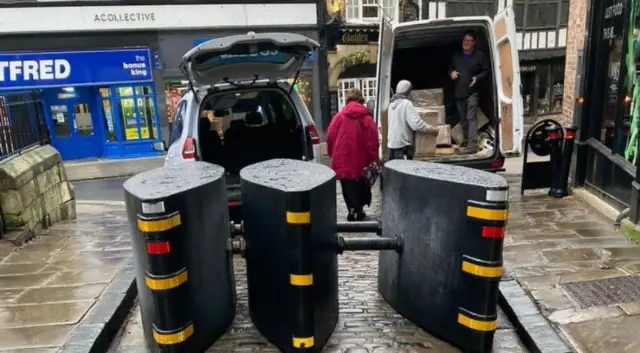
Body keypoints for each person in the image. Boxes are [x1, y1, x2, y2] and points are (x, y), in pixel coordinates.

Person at [326, 88, 379, 222]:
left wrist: (332, 153)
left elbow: (330, 137)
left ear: (348, 100)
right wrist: (374, 158)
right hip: (362, 159)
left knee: (347, 185)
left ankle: (351, 209)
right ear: (361, 100)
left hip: (342, 157)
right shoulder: (366, 117)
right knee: (361, 183)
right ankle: (358, 209)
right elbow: (372, 140)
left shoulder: (338, 116)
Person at [449, 30, 489, 154]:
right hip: (459, 92)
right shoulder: (457, 55)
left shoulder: (479, 55)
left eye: (469, 41)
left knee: (471, 117)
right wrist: (451, 73)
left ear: (474, 43)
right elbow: (450, 68)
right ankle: (466, 142)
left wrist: (477, 78)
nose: (466, 43)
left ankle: (472, 145)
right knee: (463, 119)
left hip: (473, 92)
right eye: (464, 40)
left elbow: (486, 71)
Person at [387, 80, 439, 160]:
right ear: (408, 91)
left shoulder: (391, 104)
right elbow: (416, 124)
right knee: (404, 171)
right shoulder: (406, 104)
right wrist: (432, 130)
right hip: (403, 147)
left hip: (392, 146)